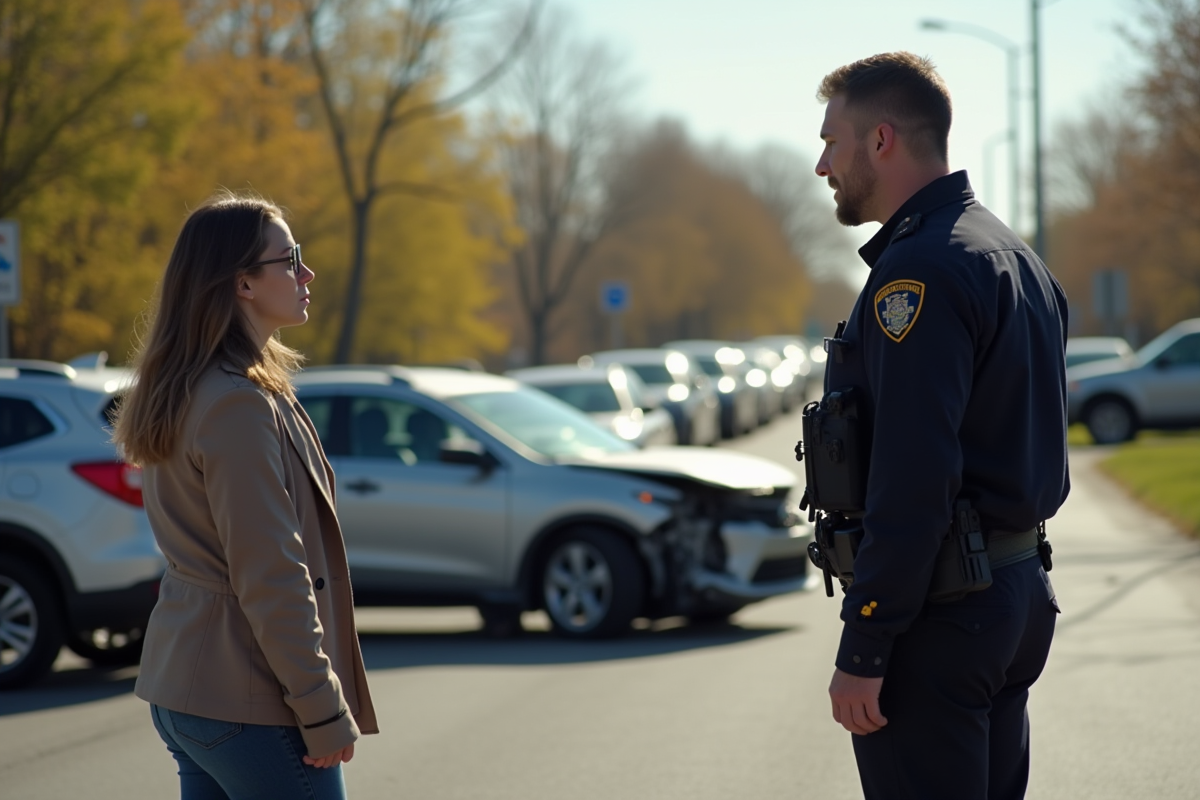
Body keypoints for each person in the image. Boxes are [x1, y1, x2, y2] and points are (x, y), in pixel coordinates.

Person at [807, 52, 1068, 800]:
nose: (823, 164)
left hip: (943, 616)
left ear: (880, 140)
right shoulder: (1011, 254)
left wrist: (869, 637)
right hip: (1014, 595)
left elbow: (913, 475)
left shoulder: (918, 274)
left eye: (833, 141)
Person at [113, 192, 378, 799]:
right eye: (289, 259)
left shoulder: (201, 384)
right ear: (243, 285)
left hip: (195, 692)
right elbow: (270, 573)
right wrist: (318, 703)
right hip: (249, 700)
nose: (306, 274)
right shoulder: (235, 402)